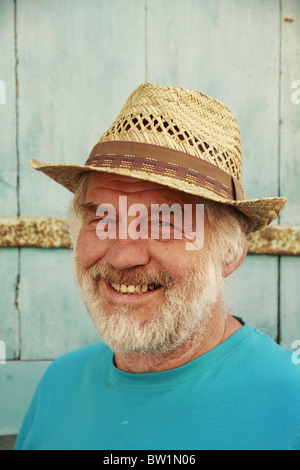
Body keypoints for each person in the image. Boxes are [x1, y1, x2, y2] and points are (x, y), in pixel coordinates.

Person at [15, 83, 300, 450]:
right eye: (103, 219)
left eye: (163, 223)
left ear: (230, 252)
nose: (122, 255)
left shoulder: (290, 403)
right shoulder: (58, 383)